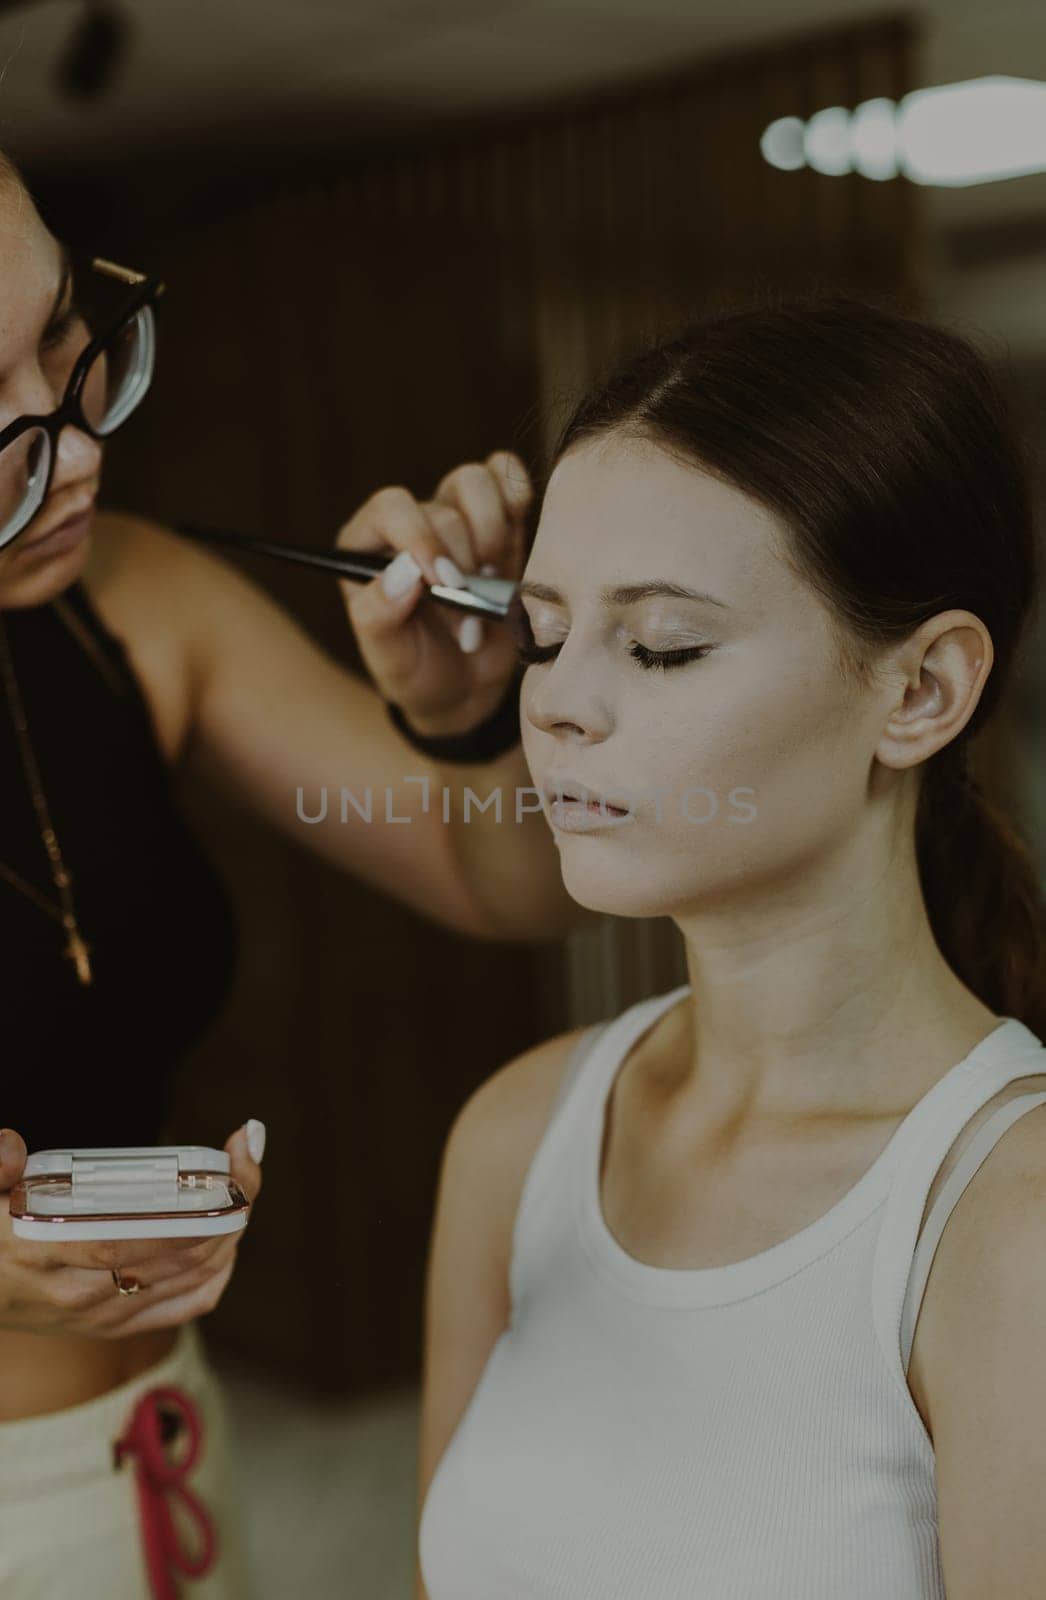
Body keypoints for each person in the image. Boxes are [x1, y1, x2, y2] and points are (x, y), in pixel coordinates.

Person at [0, 153, 580, 1595]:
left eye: (63, 337)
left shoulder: (128, 599)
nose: (72, 451)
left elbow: (491, 875)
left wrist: (470, 716)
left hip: (160, 1445)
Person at [417, 293, 1046, 1599]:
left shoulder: (1008, 1224)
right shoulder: (516, 1135)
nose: (558, 706)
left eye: (660, 646)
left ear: (920, 690)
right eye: (541, 630)